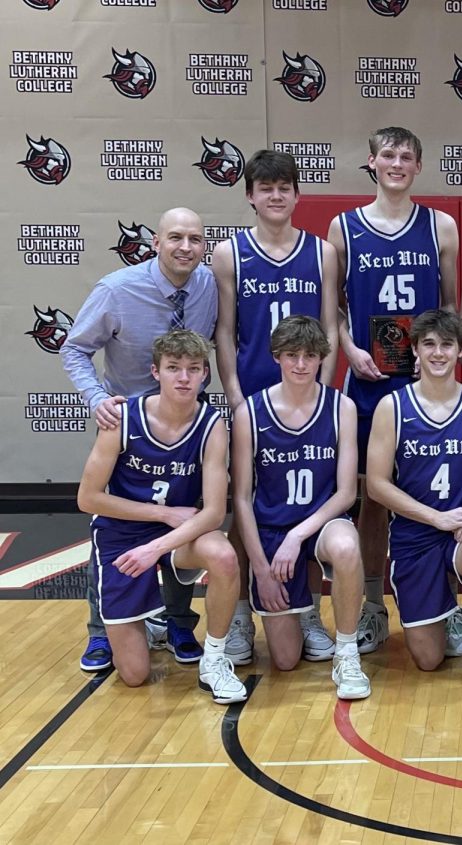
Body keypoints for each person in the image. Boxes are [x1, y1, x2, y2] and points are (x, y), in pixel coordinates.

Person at [62, 207, 215, 672]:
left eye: (193, 238)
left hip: (186, 424)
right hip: (128, 427)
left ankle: (179, 624)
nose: (184, 247)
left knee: (183, 521)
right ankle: (101, 629)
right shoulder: (117, 288)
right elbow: (74, 348)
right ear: (156, 242)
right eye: (175, 238)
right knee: (111, 526)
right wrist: (95, 398)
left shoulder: (210, 284)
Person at [327, 127, 459, 656]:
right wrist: (350, 348)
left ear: (418, 166)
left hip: (427, 385)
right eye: (388, 155)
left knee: (440, 497)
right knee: (372, 502)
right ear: (372, 162)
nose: (397, 163)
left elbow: (451, 307)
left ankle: (446, 607)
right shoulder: (343, 227)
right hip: (368, 384)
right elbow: (333, 307)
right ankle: (374, 607)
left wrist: (442, 356)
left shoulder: (441, 226)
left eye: (407, 156)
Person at [214, 150, 340, 667]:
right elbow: (225, 331)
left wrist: (324, 396)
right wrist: (235, 394)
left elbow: (331, 327)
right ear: (249, 195)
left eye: (284, 186)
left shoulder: (322, 252)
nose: (275, 195)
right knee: (243, 503)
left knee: (307, 503)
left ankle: (306, 610)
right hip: (255, 398)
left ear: (296, 194)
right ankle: (241, 609)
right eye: (265, 187)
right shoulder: (228, 254)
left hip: (311, 399)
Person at [76, 330, 245, 704]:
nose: (183, 377)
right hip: (123, 535)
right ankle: (143, 624)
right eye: (173, 368)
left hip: (175, 536)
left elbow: (215, 512)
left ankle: (215, 660)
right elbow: (87, 498)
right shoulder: (122, 418)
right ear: (156, 372)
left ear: (205, 375)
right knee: (135, 675)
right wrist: (164, 514)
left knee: (224, 555)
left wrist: (156, 546)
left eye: (193, 369)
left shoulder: (212, 424)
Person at [365, 310, 462, 704]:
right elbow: (378, 486)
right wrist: (436, 517)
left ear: (459, 351)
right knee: (429, 659)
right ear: (415, 350)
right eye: (429, 345)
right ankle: (451, 613)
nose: (438, 353)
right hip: (415, 536)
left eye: (446, 345)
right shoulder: (392, 407)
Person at [230, 317, 370, 699]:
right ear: (277, 356)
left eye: (310, 356)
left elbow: (345, 494)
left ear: (322, 358)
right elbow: (241, 498)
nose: (301, 364)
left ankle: (347, 652)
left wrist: (298, 534)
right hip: (271, 531)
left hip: (319, 525)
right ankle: (295, 613)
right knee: (286, 660)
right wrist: (260, 569)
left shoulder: (341, 406)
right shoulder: (250, 413)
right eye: (292, 355)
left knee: (346, 544)